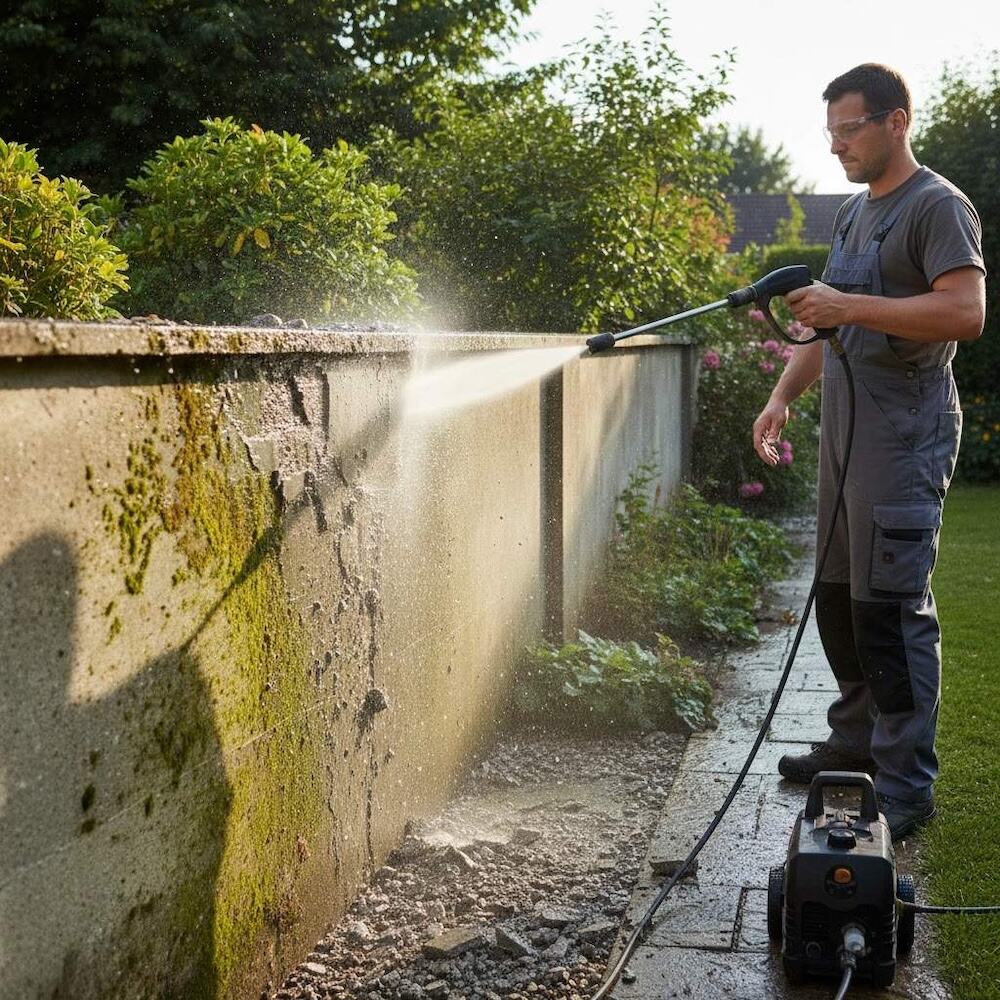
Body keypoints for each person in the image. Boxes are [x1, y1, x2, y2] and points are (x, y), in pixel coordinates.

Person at [752, 63, 986, 840]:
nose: (837, 146)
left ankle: (906, 780)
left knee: (890, 613)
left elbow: (964, 311)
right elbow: (831, 323)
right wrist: (784, 395)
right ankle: (852, 744)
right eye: (831, 134)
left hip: (904, 442)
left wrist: (848, 304)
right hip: (845, 445)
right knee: (840, 601)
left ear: (896, 121)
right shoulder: (855, 215)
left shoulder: (936, 207)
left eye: (849, 130)